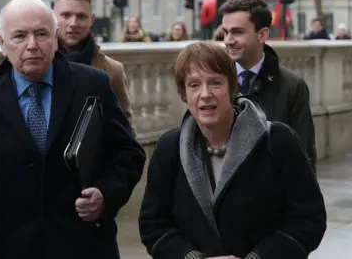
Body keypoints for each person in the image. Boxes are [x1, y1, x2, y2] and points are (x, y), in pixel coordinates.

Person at [0, 0, 146, 259]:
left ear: (56, 38)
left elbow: (129, 155)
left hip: (86, 248)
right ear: (2, 43)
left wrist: (105, 194)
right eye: (20, 36)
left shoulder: (93, 86)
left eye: (41, 34)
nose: (32, 45)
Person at [138, 41, 326, 259]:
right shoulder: (169, 147)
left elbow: (308, 219)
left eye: (215, 83)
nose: (205, 94)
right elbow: (154, 225)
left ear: (232, 86)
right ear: (183, 93)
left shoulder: (278, 141)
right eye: (194, 85)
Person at [219, 0, 317, 171]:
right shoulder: (214, 81)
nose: (228, 40)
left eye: (238, 32)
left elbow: (304, 155)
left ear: (262, 34)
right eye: (226, 32)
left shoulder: (292, 86)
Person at [54, 0, 133, 126]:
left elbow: (125, 126)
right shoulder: (38, 63)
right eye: (66, 15)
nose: (73, 23)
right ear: (53, 17)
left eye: (81, 16)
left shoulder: (113, 70)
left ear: (92, 20)